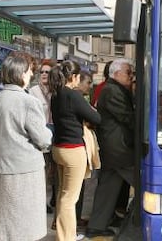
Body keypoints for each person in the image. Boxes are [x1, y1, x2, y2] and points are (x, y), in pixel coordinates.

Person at [0, 53, 53, 241]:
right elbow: (43, 139)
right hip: (25, 170)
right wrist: (49, 134)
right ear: (22, 74)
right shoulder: (29, 101)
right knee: (25, 223)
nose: (31, 75)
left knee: (5, 221)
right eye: (30, 71)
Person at [49, 60, 101, 241]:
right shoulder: (73, 95)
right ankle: (66, 237)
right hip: (73, 151)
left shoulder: (55, 94)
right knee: (70, 199)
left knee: (62, 193)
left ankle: (65, 234)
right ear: (74, 77)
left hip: (59, 149)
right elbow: (96, 117)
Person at [85, 58, 135, 238]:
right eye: (128, 72)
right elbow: (128, 117)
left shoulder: (115, 89)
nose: (131, 76)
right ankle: (137, 221)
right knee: (146, 182)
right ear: (117, 73)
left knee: (108, 187)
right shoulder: (112, 90)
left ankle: (96, 227)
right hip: (119, 149)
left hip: (114, 148)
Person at [30, 59, 57, 213]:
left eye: (48, 72)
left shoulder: (56, 90)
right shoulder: (33, 91)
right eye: (42, 72)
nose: (44, 74)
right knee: (44, 168)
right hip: (40, 132)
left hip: (56, 131)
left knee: (55, 168)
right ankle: (42, 201)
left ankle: (54, 197)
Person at [75, 70, 94, 227]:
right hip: (75, 146)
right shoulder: (76, 97)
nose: (90, 86)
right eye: (88, 82)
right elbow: (95, 117)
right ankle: (73, 221)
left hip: (65, 145)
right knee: (74, 189)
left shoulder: (63, 95)